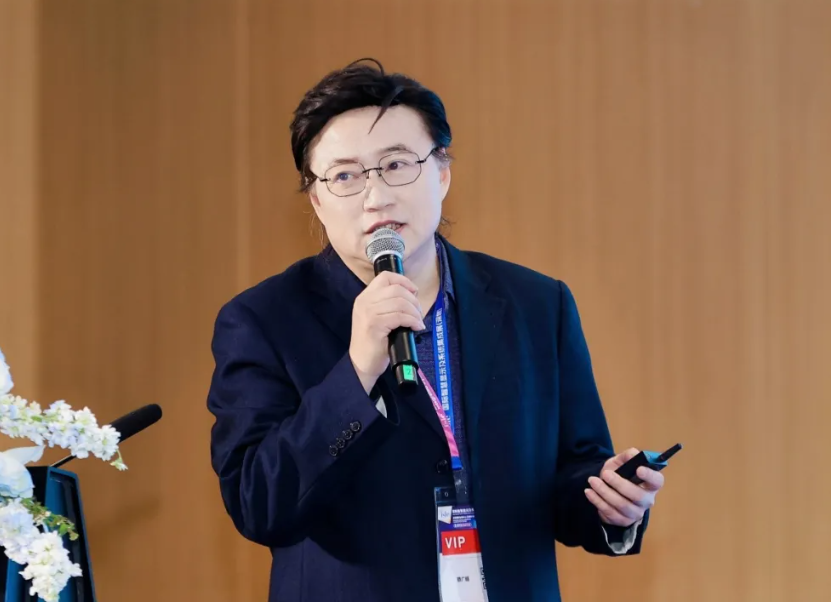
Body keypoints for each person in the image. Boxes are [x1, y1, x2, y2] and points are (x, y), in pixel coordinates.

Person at [207, 58, 666, 602]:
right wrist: (356, 373)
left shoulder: (538, 304)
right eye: (346, 176)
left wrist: (611, 504)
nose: (376, 196)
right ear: (317, 199)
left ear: (442, 172)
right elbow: (260, 505)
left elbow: (573, 470)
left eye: (397, 164)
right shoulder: (263, 320)